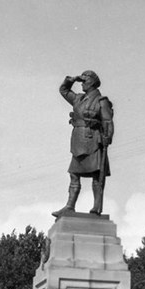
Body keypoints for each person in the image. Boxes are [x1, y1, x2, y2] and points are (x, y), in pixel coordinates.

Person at [52, 70, 114, 217]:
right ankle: (69, 206)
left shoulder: (101, 101)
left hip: (92, 140)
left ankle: (96, 207)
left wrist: (108, 137)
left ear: (92, 82)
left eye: (84, 81)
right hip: (78, 141)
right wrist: (73, 79)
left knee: (96, 175)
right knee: (73, 174)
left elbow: (107, 122)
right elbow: (64, 90)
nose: (81, 85)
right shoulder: (78, 99)